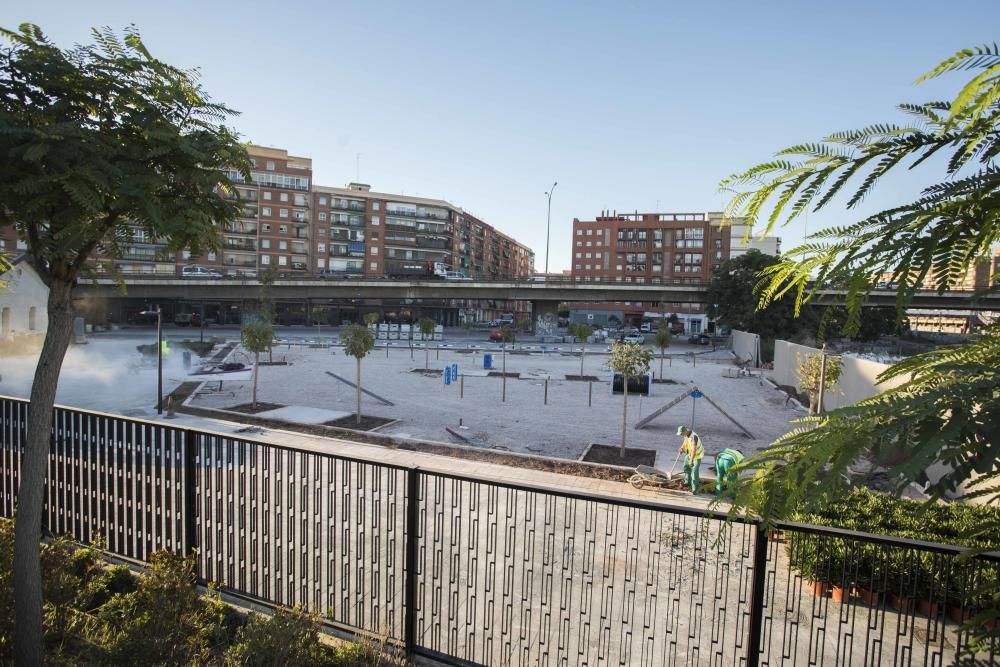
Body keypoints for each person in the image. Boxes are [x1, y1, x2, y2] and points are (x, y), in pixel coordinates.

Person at [676, 426, 704, 493]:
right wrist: (681, 448)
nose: (681, 435)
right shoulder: (686, 435)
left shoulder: (693, 437)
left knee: (694, 472)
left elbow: (694, 450)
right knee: (686, 468)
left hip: (696, 456)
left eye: (681, 434)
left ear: (685, 431)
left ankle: (695, 489)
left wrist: (691, 461)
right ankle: (687, 482)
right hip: (689, 454)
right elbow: (685, 442)